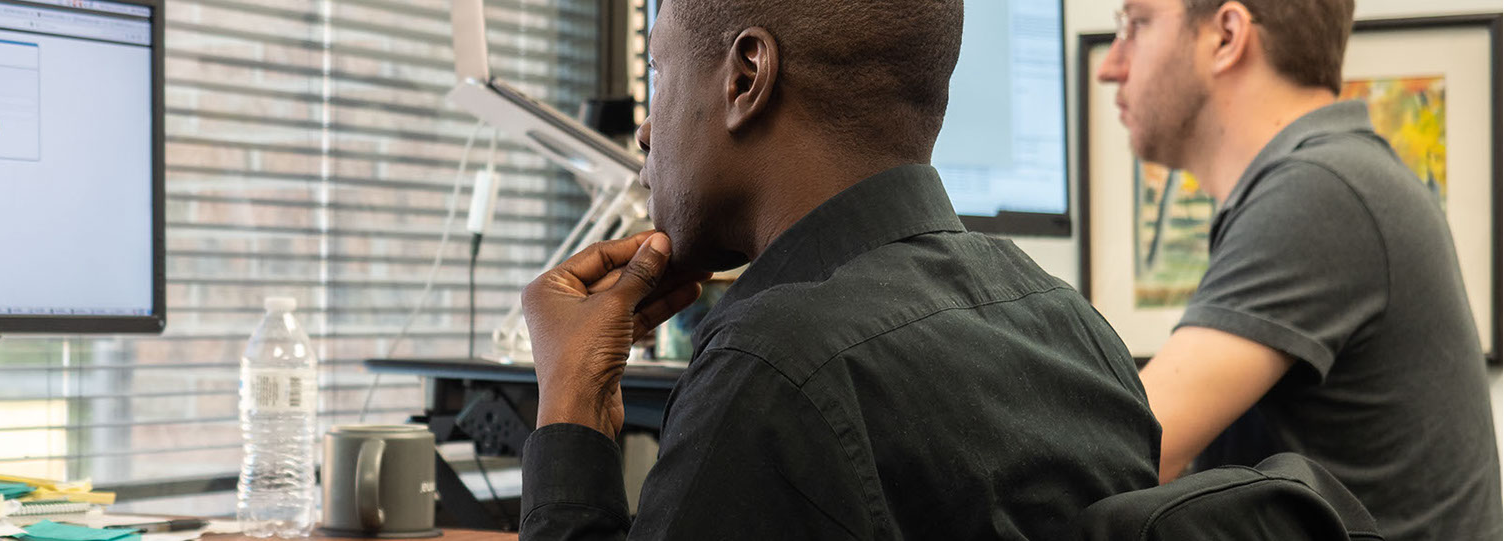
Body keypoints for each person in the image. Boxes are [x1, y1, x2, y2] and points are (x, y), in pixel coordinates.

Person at [515, 0, 1161, 538]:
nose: (646, 133)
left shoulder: (769, 371)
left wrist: (570, 404)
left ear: (745, 78)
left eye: (658, 72)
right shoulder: (1083, 337)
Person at [1096, 0, 1503, 538]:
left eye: (1136, 25)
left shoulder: (1320, 189)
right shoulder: (1339, 176)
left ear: (1226, 35)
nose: (1110, 65)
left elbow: (1118, 461)